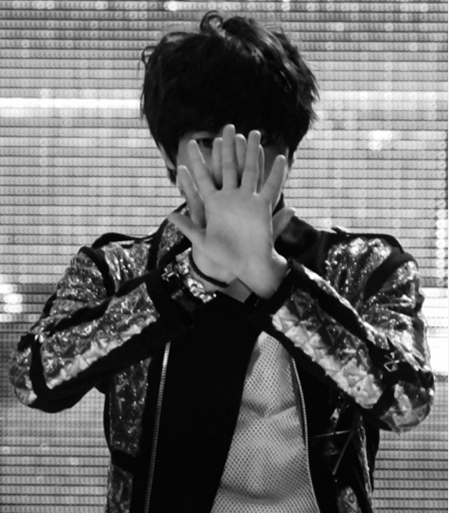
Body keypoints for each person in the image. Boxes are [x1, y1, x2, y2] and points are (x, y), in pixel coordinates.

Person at [10, 11, 434, 513]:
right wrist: (188, 281)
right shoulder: (118, 268)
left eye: (261, 141)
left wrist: (276, 281)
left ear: (289, 153)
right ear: (169, 155)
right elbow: (34, 380)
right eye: (211, 143)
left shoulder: (362, 266)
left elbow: (407, 401)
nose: (236, 163)